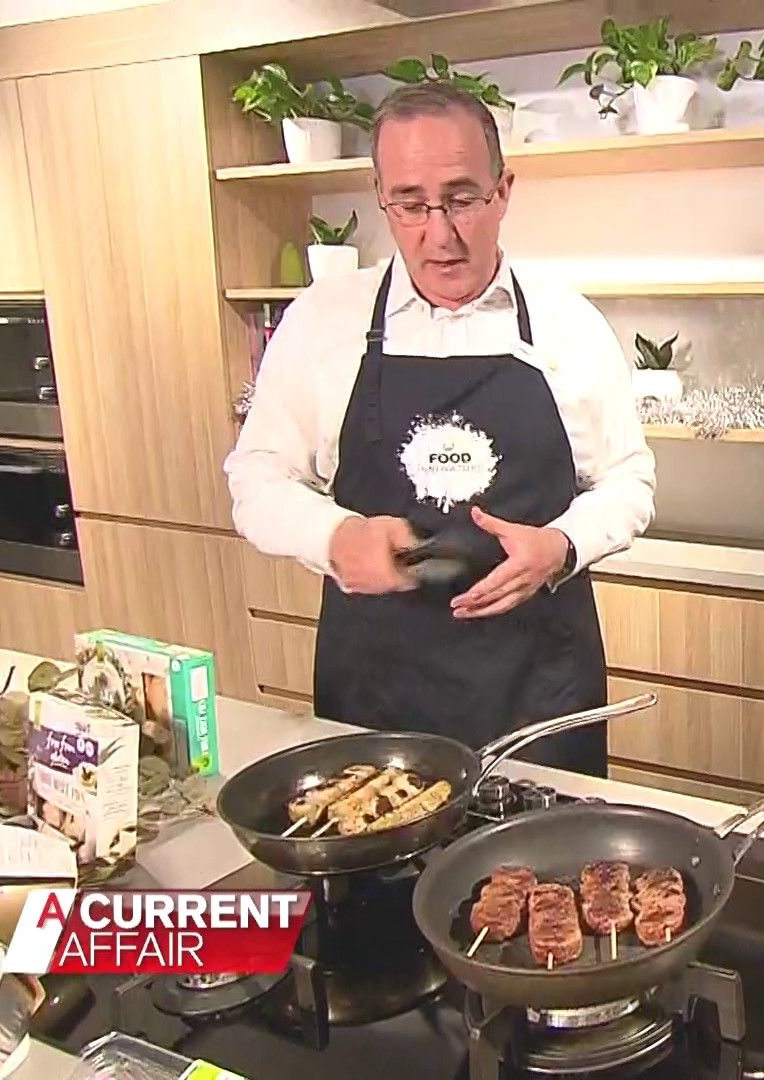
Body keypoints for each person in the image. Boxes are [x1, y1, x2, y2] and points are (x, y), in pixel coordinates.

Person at [224, 81, 653, 774]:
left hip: (539, 698)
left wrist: (561, 546)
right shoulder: (322, 323)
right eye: (411, 204)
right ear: (380, 197)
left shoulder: (569, 325)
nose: (440, 233)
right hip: (374, 700)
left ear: (503, 191)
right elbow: (255, 479)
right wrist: (334, 536)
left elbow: (629, 479)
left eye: (461, 199)